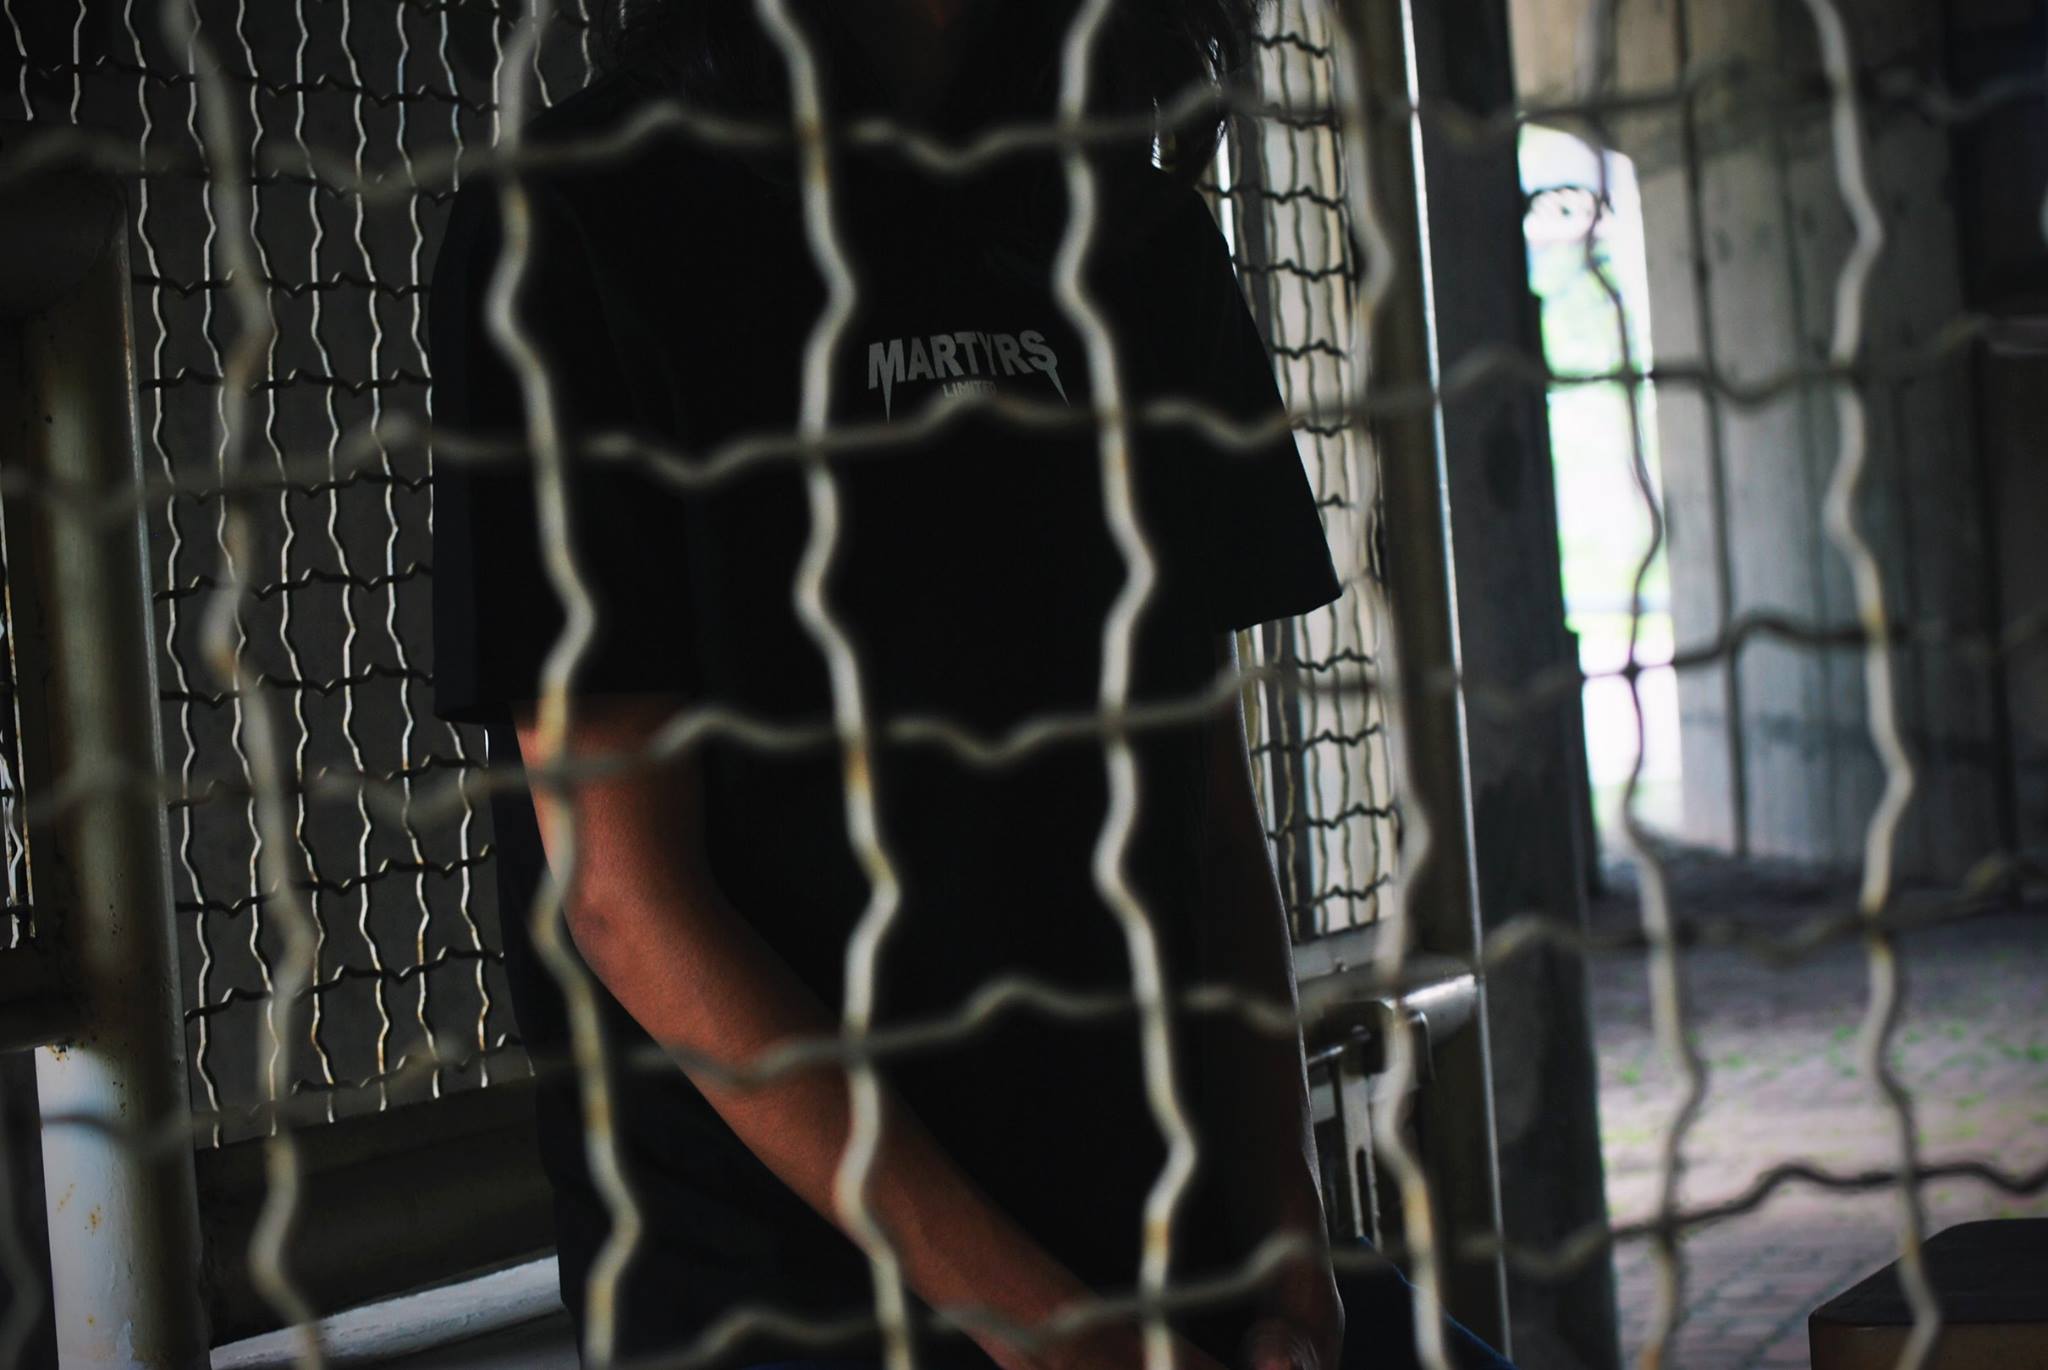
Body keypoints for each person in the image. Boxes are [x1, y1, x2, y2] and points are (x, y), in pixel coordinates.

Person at [427, 4, 1515, 1369]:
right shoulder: (578, 220)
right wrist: (1043, 1329)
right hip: (793, 1305)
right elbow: (623, 893)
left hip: (1175, 1262)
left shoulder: (1135, 231)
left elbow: (1204, 806)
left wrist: (1289, 1239)